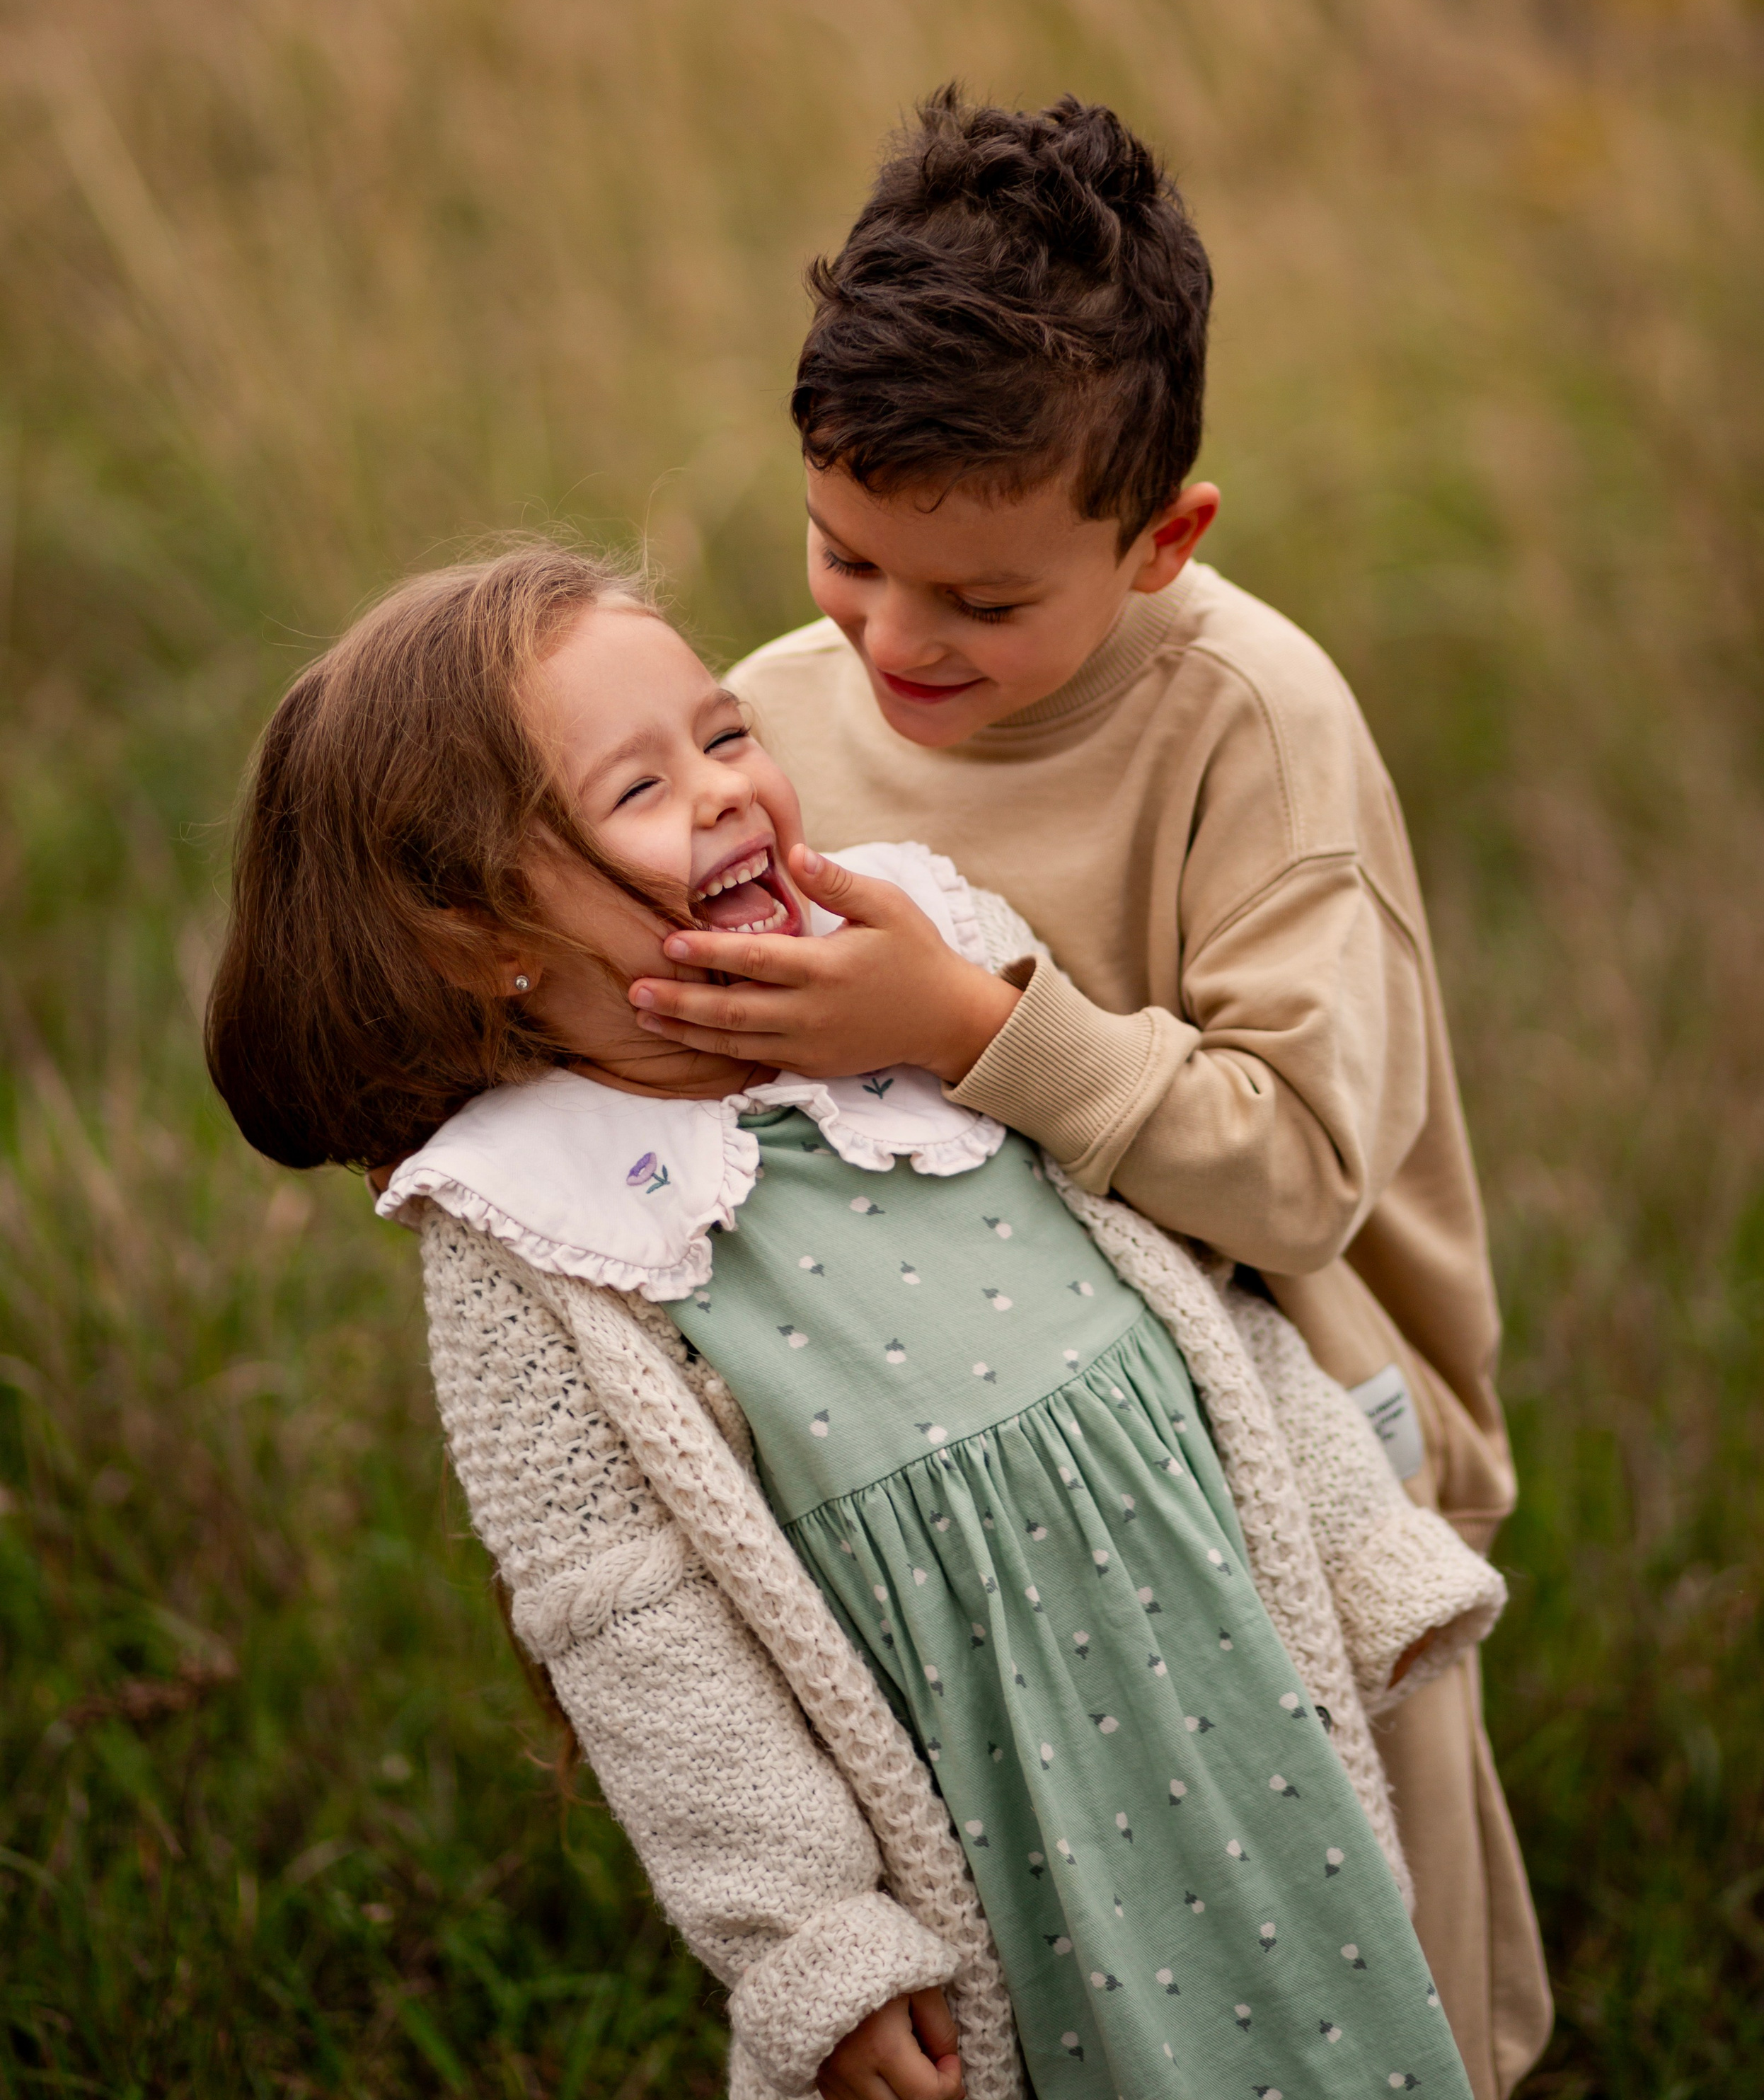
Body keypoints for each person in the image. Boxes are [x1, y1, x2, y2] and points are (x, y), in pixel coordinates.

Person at [207, 544, 1505, 2100]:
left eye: (726, 732)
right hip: (979, 1790)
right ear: (484, 938)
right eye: (640, 788)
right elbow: (641, 1639)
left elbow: (1172, 1298)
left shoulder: (910, 976)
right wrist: (813, 1944)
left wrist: (1352, 1539)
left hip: (1221, 1684)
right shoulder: (531, 1230)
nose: (724, 790)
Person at [627, 89, 1554, 2099]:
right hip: (956, 1480)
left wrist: (968, 1023)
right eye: (846, 554)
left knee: (1356, 1958)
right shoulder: (768, 716)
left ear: (1160, 541)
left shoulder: (1251, 729)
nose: (895, 636)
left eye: (983, 601)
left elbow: (1298, 1175)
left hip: (1294, 1454)